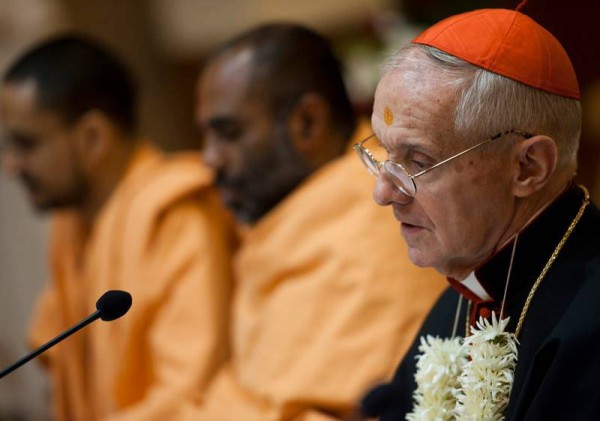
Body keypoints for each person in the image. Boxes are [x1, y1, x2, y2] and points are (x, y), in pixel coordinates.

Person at [186, 23, 447, 421]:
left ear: (307, 123)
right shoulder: (286, 220)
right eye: (206, 136)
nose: (209, 159)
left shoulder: (384, 215)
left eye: (229, 134)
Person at [354, 7, 600, 420]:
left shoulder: (590, 329)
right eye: (382, 151)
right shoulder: (462, 297)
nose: (383, 193)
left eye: (418, 161)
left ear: (528, 167)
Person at [0, 35, 237, 421]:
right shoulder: (73, 228)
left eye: (27, 144)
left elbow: (193, 394)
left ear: (93, 138)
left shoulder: (174, 216)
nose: (11, 165)